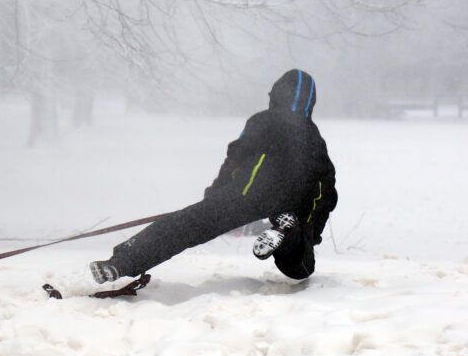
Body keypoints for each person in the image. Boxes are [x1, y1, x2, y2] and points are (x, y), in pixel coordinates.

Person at [90, 69, 338, 283]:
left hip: (247, 194)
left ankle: (122, 263)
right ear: (310, 102)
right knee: (300, 268)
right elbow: (326, 191)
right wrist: (311, 231)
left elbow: (236, 158)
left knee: (183, 225)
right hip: (293, 205)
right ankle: (288, 236)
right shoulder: (315, 138)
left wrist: (215, 196)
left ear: (275, 95)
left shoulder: (262, 121)